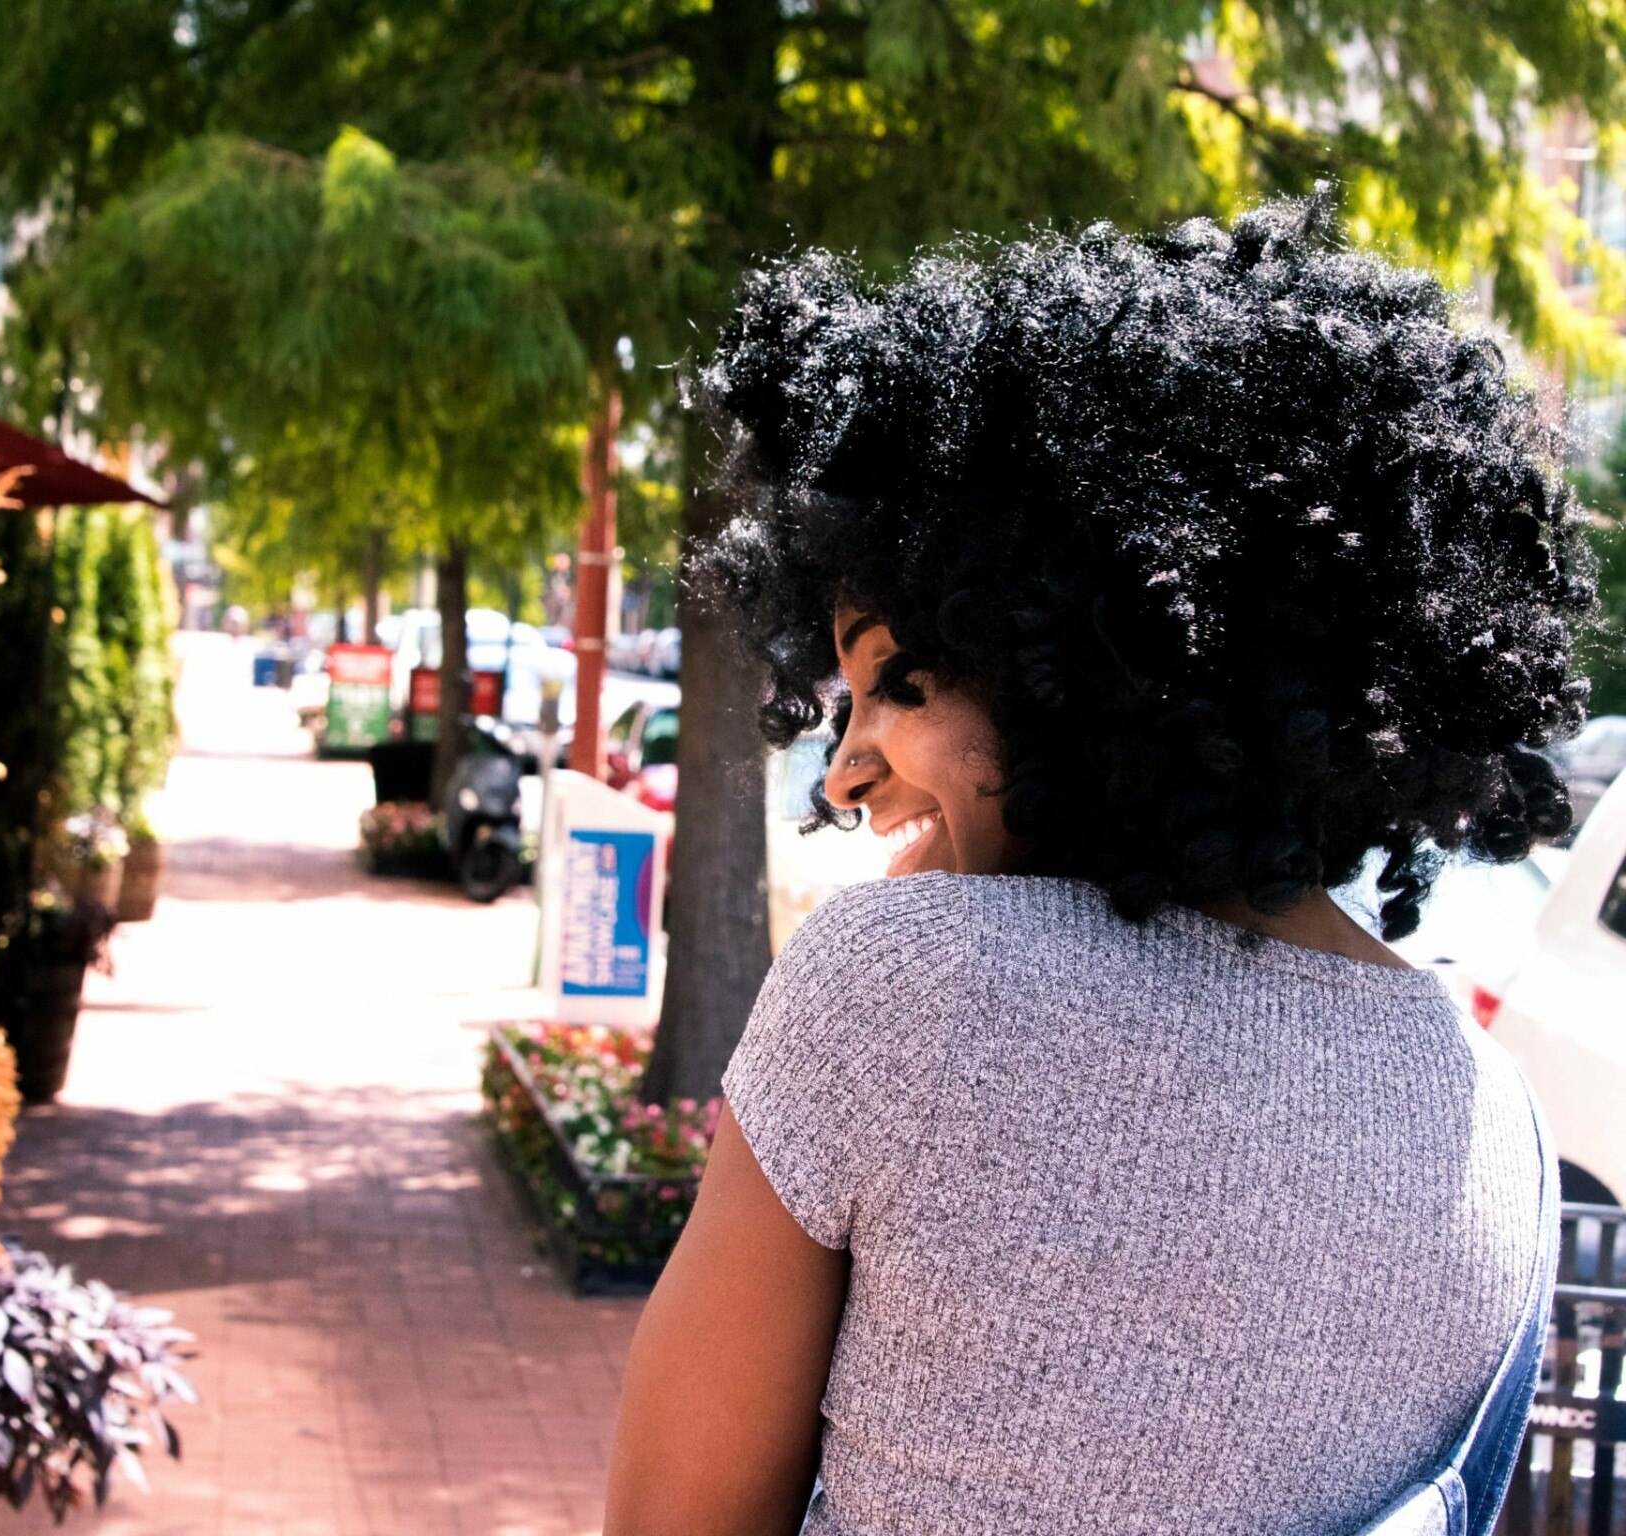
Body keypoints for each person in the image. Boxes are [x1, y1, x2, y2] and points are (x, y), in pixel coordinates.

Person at [604, 189, 1588, 1536]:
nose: (846, 766)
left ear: (1096, 661)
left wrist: (914, 946)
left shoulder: (907, 989)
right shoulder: (1494, 1120)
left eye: (901, 683)